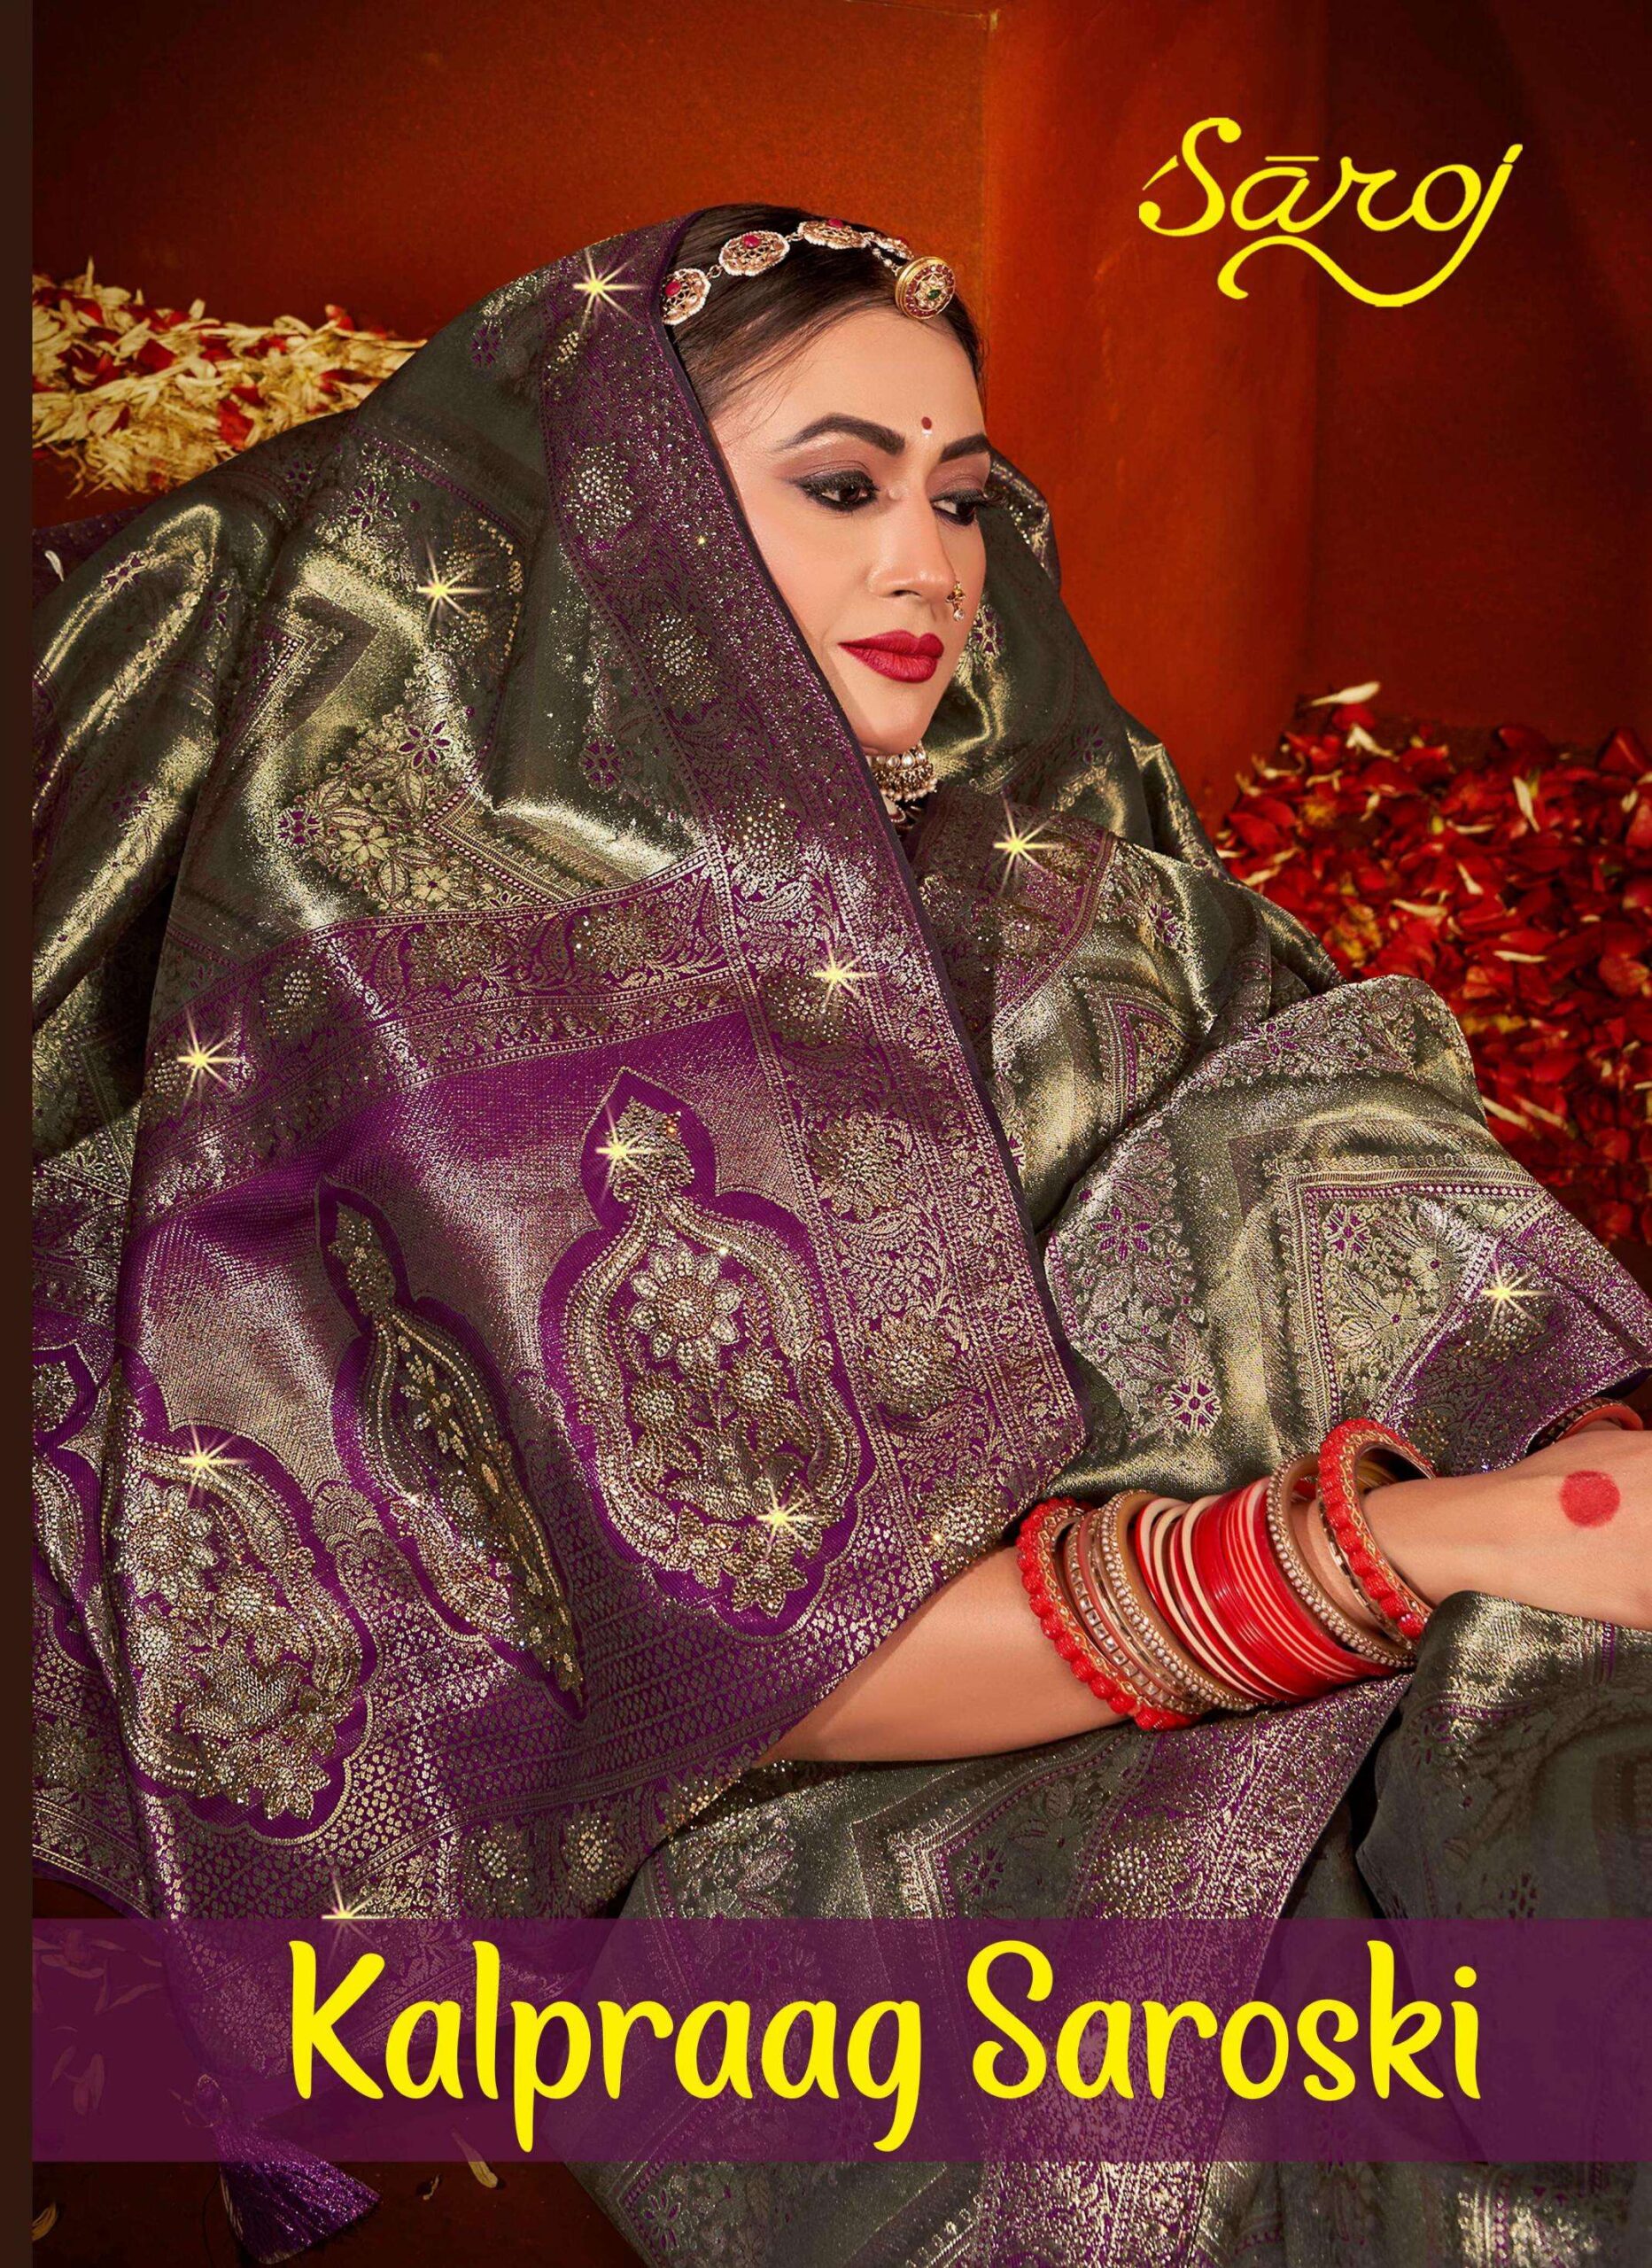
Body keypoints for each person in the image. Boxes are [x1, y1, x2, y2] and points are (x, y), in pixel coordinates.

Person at [31, 201, 1650, 2265]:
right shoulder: (468, 1012)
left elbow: (1311, 1158)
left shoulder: (1025, 878)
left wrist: (1550, 1439)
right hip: (953, 1781)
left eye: (960, 495)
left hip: (1421, 1586)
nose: (933, 565)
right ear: (621, 524)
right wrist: (1416, 1545)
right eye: (841, 486)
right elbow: (770, 1666)